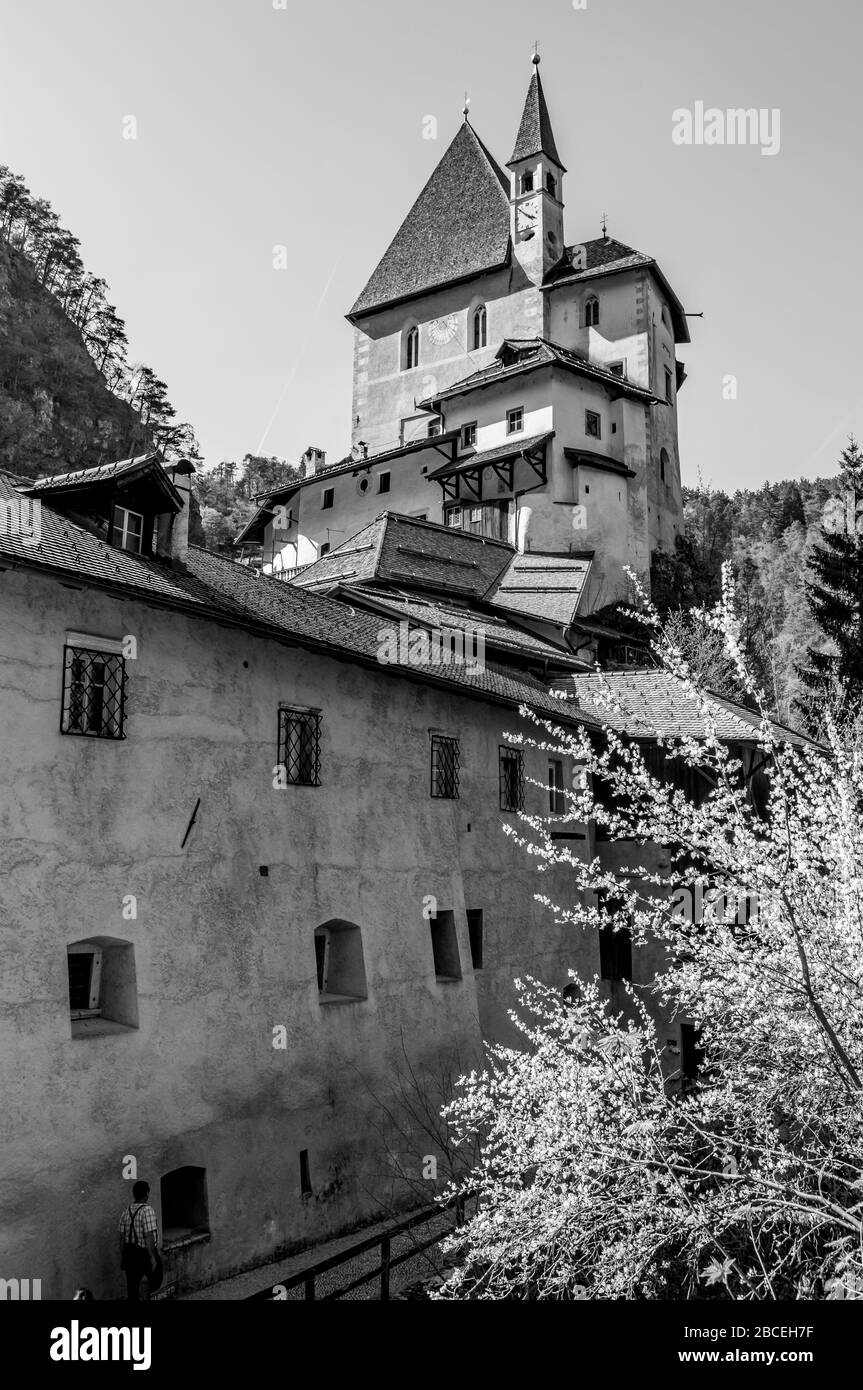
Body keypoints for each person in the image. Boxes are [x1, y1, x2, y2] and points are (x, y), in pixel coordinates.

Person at [119, 1181, 159, 1301]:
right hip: (143, 1253)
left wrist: (124, 1255)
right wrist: (152, 1257)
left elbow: (121, 1237)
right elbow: (149, 1236)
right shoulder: (147, 1210)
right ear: (147, 1193)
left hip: (129, 1252)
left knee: (132, 1288)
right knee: (151, 1284)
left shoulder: (126, 1211)